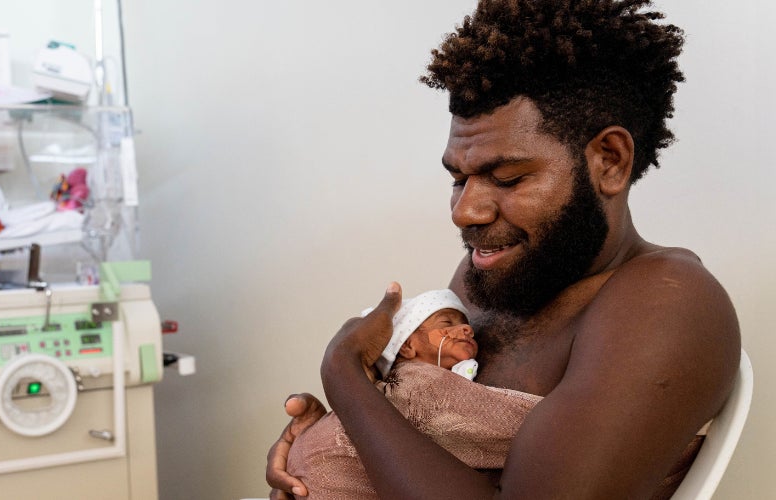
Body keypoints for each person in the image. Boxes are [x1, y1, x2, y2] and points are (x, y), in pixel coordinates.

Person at [266, 0, 741, 498]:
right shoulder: (487, 276)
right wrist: (328, 452)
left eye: (506, 177)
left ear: (610, 161)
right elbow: (420, 429)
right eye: (458, 178)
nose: (464, 211)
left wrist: (343, 375)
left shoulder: (667, 301)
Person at [284, 289, 543, 499]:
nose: (466, 330)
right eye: (446, 323)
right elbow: (516, 426)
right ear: (407, 346)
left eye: (465, 324)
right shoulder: (416, 382)